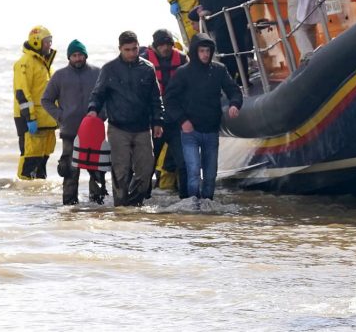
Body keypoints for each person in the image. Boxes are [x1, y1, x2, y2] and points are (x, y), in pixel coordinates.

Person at [87, 31, 165, 206]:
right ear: (120, 49)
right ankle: (121, 208)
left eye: (135, 49)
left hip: (143, 128)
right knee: (120, 172)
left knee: (145, 171)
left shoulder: (147, 68)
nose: (131, 53)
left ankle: (134, 205)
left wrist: (158, 121)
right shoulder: (109, 68)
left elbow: (156, 98)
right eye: (127, 50)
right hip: (118, 128)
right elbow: (97, 94)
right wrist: (93, 110)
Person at [165, 33, 243, 203]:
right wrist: (182, 121)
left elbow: (234, 90)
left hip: (211, 130)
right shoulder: (182, 72)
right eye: (201, 51)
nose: (205, 54)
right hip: (189, 131)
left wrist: (235, 104)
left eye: (208, 51)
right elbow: (169, 99)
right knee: (193, 171)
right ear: (195, 52)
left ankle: (208, 204)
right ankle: (193, 205)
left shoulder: (219, 70)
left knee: (210, 174)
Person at [41, 39, 106, 205]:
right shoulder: (60, 76)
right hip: (70, 131)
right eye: (74, 55)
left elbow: (108, 98)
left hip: (94, 132)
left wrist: (101, 115)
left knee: (97, 171)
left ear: (85, 55)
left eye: (80, 55)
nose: (77, 58)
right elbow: (46, 100)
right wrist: (61, 116)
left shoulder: (98, 73)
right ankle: (69, 207)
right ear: (69, 57)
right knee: (70, 170)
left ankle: (97, 205)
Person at [140, 29, 189, 196]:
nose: (166, 48)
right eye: (162, 44)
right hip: (155, 122)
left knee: (183, 163)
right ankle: (142, 198)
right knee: (149, 163)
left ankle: (187, 199)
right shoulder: (144, 60)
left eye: (168, 44)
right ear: (155, 46)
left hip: (176, 121)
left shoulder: (182, 59)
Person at [13, 25, 58, 180]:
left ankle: (37, 197)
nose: (49, 45)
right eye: (47, 42)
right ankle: (24, 196)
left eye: (50, 41)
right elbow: (22, 93)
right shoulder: (25, 63)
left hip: (46, 119)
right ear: (37, 42)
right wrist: (30, 118)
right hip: (30, 119)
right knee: (30, 159)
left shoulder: (44, 63)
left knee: (43, 158)